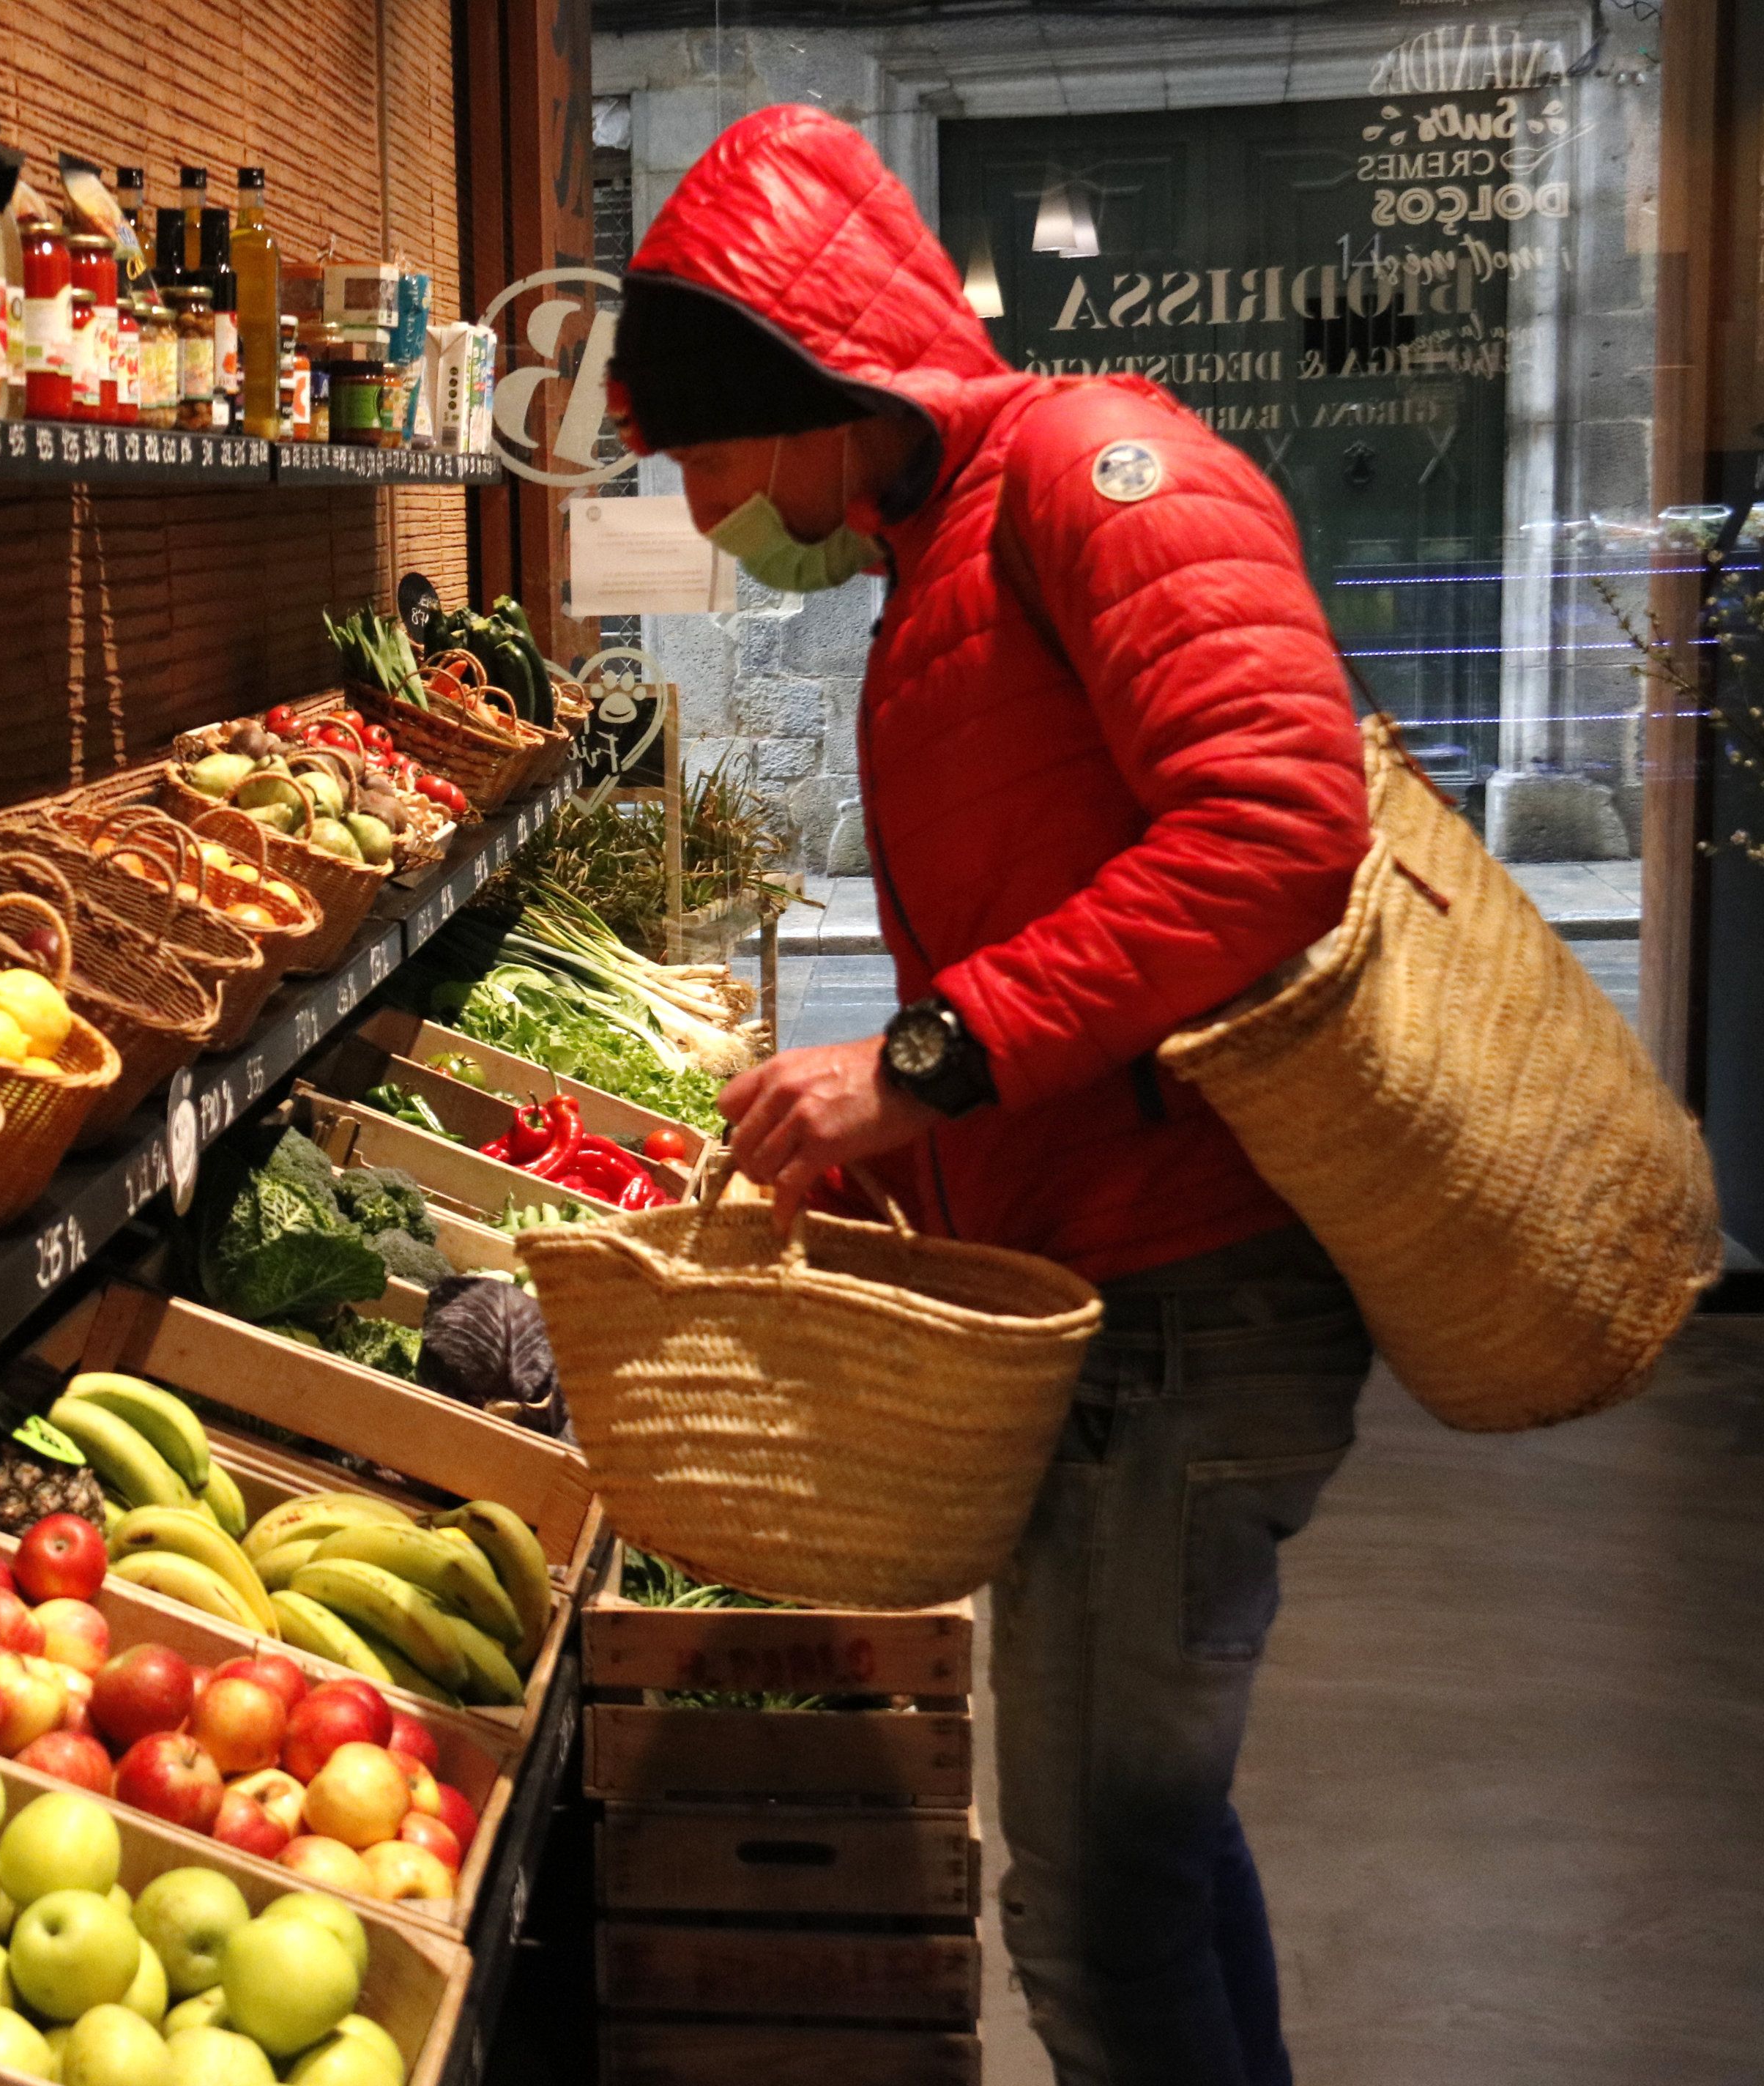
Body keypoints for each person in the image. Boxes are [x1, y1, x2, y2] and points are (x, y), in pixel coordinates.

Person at [606, 105, 1374, 2086]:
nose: (698, 516)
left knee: (1096, 1913)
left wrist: (928, 1068)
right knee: (1160, 1847)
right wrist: (925, 1165)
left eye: (700, 456)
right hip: (1106, 1289)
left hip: (1196, 1300)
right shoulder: (938, 546)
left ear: (806, 389)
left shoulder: (1097, 477)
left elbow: (1280, 823)